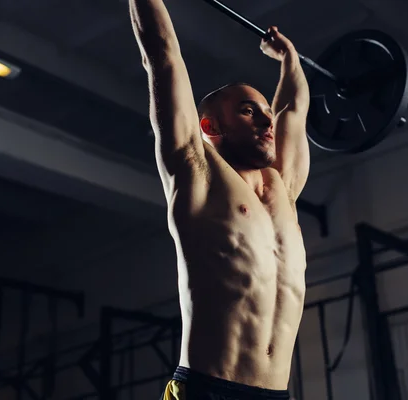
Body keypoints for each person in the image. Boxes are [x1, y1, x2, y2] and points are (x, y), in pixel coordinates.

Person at [129, 1, 311, 399]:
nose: (267, 122)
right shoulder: (197, 173)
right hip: (207, 389)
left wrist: (290, 60)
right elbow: (162, 56)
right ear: (210, 126)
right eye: (249, 112)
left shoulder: (284, 189)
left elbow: (293, 109)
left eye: (266, 113)